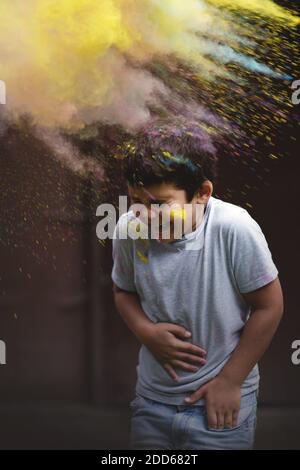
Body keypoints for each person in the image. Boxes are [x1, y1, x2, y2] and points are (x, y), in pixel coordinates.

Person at [111, 125, 284, 450]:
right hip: (152, 399)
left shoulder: (234, 228)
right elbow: (123, 292)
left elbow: (270, 306)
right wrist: (144, 331)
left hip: (219, 402)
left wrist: (230, 381)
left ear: (202, 193)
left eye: (159, 203)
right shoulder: (128, 228)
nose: (145, 216)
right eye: (136, 201)